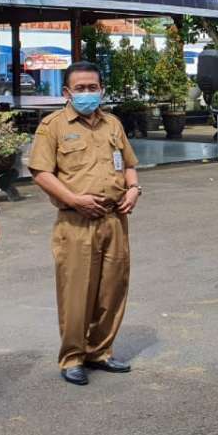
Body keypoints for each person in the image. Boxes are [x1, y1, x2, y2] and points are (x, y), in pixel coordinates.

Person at [28, 61, 140, 386]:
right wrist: (74, 199)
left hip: (115, 218)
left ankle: (100, 351)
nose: (87, 93)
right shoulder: (53, 126)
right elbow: (41, 173)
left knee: (112, 289)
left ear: (102, 90)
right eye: (80, 88)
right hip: (75, 222)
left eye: (93, 87)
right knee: (76, 292)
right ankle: (73, 357)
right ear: (67, 92)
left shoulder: (113, 124)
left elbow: (130, 164)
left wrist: (134, 189)